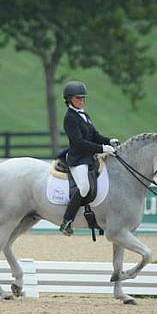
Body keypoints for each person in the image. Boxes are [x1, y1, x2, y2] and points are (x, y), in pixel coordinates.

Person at [59, 81, 120, 236]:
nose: (81, 100)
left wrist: (109, 141)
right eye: (78, 98)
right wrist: (102, 149)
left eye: (82, 98)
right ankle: (67, 221)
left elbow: (95, 135)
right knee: (84, 187)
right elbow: (79, 143)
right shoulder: (70, 118)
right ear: (69, 99)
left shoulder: (84, 115)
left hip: (89, 158)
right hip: (78, 158)